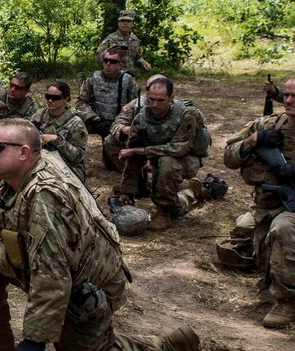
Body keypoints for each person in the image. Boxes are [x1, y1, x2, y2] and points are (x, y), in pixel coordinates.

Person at [0, 118, 200, 351]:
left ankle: (167, 345)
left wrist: (33, 344)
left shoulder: (47, 195)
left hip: (86, 286)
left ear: (23, 152)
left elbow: (52, 275)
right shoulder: (9, 175)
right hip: (51, 266)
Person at [223, 77, 295, 328]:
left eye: (294, 96)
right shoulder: (266, 125)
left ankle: (287, 301)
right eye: (285, 95)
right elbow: (229, 157)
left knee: (282, 230)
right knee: (239, 241)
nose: (288, 101)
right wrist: (254, 141)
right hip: (267, 205)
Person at [117, 77, 212, 231]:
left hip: (187, 159)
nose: (154, 104)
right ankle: (192, 192)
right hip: (159, 158)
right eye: (151, 99)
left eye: (160, 100)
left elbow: (177, 149)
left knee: (167, 162)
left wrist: (138, 151)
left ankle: (163, 212)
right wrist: (127, 190)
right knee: (169, 200)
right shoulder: (141, 118)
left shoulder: (187, 114)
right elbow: (132, 155)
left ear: (171, 98)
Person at [76, 45, 139, 148]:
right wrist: (94, 118)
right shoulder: (93, 79)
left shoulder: (128, 81)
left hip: (119, 122)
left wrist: (122, 122)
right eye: (106, 61)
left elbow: (135, 104)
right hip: (96, 120)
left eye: (113, 62)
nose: (108, 64)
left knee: (112, 153)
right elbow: (81, 102)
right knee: (74, 126)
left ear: (120, 65)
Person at [32, 81, 88, 182]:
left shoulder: (75, 124)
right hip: (39, 159)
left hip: (66, 166)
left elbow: (77, 156)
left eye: (55, 98)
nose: (50, 100)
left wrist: (56, 140)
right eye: (47, 96)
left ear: (66, 99)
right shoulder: (39, 114)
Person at [96, 10, 151, 74]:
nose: (125, 23)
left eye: (128, 21)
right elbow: (97, 59)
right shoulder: (110, 39)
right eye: (122, 21)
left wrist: (143, 63)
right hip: (114, 78)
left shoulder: (135, 40)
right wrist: (109, 51)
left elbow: (137, 57)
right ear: (118, 23)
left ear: (133, 23)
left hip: (130, 77)